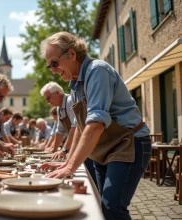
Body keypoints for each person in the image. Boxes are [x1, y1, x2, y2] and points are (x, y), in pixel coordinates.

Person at [40, 31, 151, 220]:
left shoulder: (97, 71)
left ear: (72, 54)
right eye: (50, 66)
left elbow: (96, 124)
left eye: (55, 63)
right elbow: (79, 129)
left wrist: (71, 168)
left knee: (112, 207)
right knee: (102, 205)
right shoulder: (75, 86)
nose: (53, 70)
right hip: (103, 150)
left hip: (129, 144)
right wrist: (66, 163)